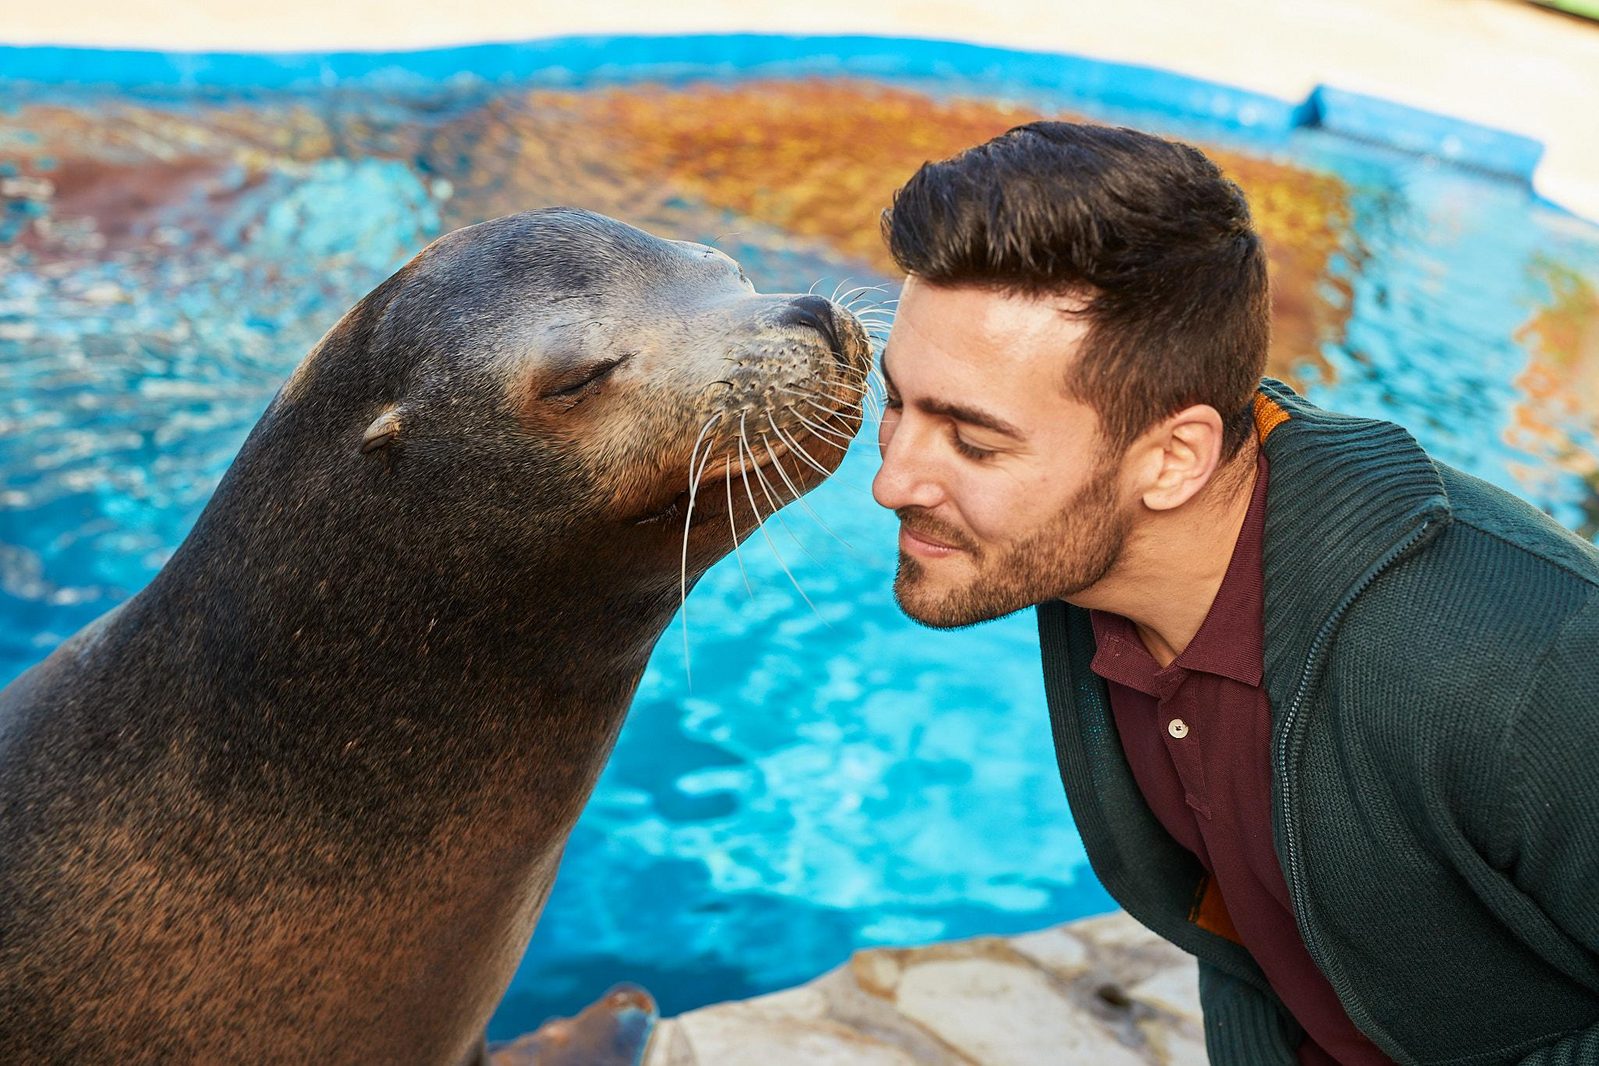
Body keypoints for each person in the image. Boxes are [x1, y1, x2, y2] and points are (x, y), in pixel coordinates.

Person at [869, 121, 1599, 1065]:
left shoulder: (1521, 660)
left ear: (1173, 459)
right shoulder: (1091, 567)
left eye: (973, 441)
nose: (892, 480)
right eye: (898, 403)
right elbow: (1240, 930)